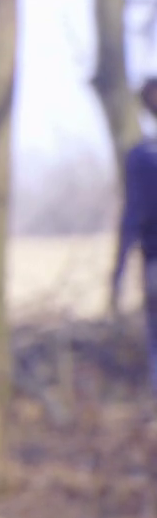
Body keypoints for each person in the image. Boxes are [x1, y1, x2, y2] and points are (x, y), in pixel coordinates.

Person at [111, 78, 157, 393]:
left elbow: (132, 215)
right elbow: (132, 215)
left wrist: (118, 272)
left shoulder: (140, 157)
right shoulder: (140, 157)